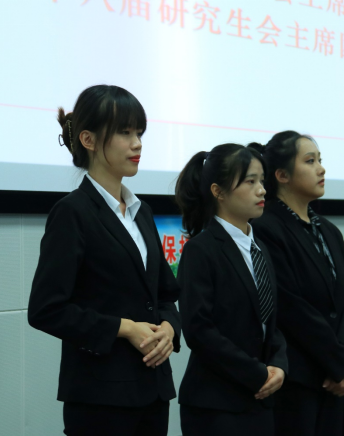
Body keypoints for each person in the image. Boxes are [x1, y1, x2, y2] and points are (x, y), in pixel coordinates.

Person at [28, 85, 181, 436]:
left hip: (153, 390)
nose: (137, 144)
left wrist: (170, 328)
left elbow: (164, 294)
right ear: (89, 139)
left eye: (139, 133)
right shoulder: (72, 213)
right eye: (125, 132)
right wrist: (124, 328)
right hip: (100, 398)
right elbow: (46, 309)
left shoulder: (142, 212)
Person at [249, 131, 344, 436]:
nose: (321, 169)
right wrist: (338, 361)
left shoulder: (328, 230)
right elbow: (289, 307)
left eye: (320, 160)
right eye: (310, 161)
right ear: (282, 175)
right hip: (297, 378)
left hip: (334, 377)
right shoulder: (265, 227)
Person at [175, 144, 288, 436]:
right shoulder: (201, 249)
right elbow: (199, 330)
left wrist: (279, 365)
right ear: (218, 191)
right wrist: (256, 373)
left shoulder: (259, 247)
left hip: (260, 399)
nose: (262, 190)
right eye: (250, 181)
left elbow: (270, 321)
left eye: (261, 180)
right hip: (217, 404)